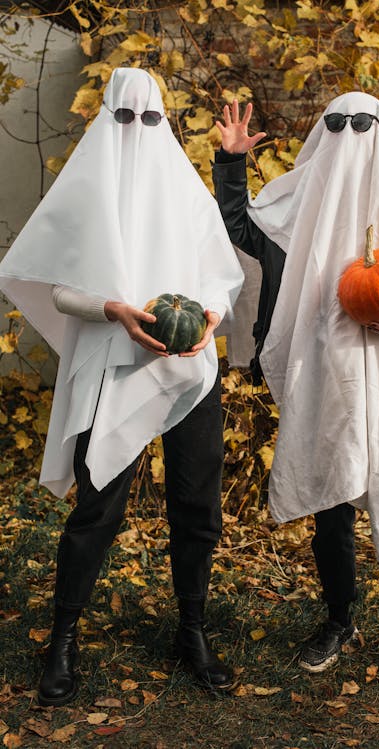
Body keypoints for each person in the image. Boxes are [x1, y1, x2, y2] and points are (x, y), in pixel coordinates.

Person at [212, 92, 379, 692]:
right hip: (325, 378)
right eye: (337, 124)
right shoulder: (297, 207)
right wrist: (229, 165)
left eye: (363, 124)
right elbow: (241, 229)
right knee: (330, 501)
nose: (350, 136)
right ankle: (337, 619)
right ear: (320, 135)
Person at [0, 67, 244, 706]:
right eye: (126, 119)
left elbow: (219, 274)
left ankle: (191, 630)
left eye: (151, 119)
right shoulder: (84, 188)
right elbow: (53, 285)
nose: (139, 131)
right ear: (106, 117)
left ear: (164, 120)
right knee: (98, 506)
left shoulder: (185, 192)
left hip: (186, 368)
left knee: (196, 503)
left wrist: (211, 316)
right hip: (113, 363)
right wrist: (114, 310)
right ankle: (63, 638)